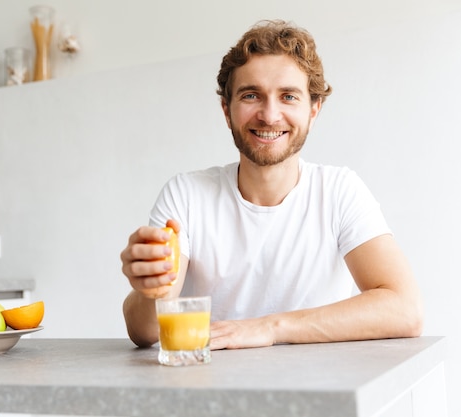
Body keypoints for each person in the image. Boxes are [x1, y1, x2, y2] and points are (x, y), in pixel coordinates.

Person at [120, 19, 423, 350]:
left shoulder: (340, 191)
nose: (269, 114)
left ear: (313, 110)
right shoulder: (186, 195)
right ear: (227, 110)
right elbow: (144, 331)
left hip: (318, 393)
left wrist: (270, 328)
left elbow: (405, 310)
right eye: (251, 95)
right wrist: (152, 290)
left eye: (289, 97)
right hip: (208, 391)